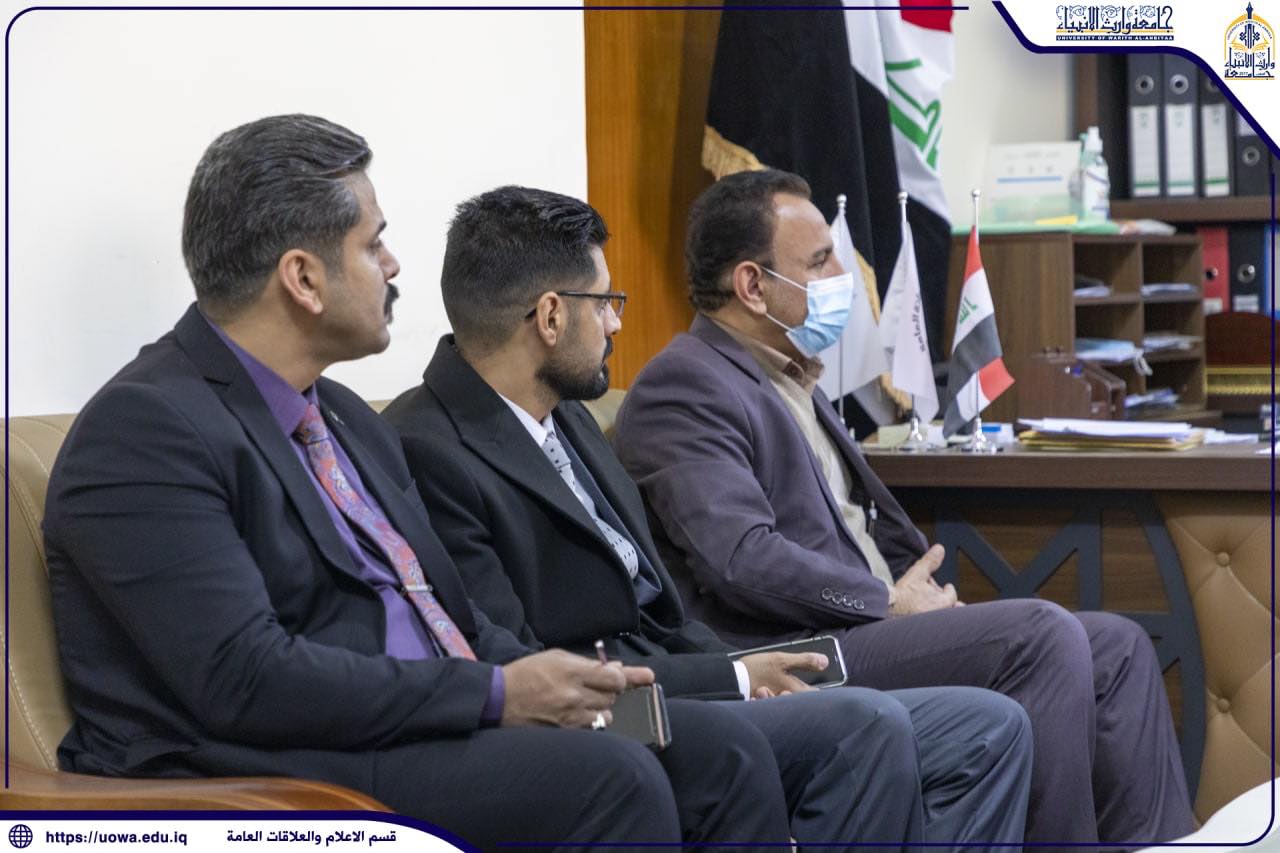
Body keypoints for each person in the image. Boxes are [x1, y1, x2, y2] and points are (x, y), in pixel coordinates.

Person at [42, 115, 804, 850]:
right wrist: (498, 696)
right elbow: (241, 679)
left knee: (719, 752)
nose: (395, 266)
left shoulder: (343, 415)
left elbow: (449, 614)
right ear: (303, 277)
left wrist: (564, 679)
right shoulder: (146, 429)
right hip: (261, 763)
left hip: (417, 718)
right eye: (373, 243)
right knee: (613, 779)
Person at [382, 185, 1033, 848]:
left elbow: (661, 613)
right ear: (550, 316)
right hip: (608, 712)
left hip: (690, 673)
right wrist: (736, 677)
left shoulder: (568, 416)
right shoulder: (426, 446)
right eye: (604, 303)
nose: (615, 324)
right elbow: (519, 664)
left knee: (988, 727)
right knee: (864, 726)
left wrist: (750, 669)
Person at [612, 168, 1196, 850]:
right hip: (799, 646)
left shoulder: (793, 375)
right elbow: (741, 558)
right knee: (1039, 635)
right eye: (820, 261)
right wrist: (886, 601)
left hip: (870, 621)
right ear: (752, 284)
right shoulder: (685, 383)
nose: (844, 277)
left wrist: (925, 600)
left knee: (1118, 646)